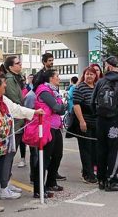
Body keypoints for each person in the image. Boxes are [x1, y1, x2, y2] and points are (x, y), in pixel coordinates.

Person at [0, 72, 44, 217]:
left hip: (2, 146)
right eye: (3, 83)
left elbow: (17, 109)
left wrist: (34, 112)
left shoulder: (4, 100)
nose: (5, 85)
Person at [91, 56, 118, 192]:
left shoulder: (100, 82)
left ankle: (101, 180)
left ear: (108, 66)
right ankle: (112, 180)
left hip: (101, 121)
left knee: (101, 150)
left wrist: (97, 116)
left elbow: (92, 102)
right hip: (116, 120)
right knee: (115, 151)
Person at [32, 69, 67, 198]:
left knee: (58, 155)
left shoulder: (54, 91)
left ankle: (51, 182)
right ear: (50, 78)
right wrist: (61, 106)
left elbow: (60, 110)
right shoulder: (44, 90)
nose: (59, 78)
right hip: (47, 127)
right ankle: (38, 189)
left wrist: (61, 107)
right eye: (57, 76)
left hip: (56, 127)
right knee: (44, 158)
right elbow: (57, 108)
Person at [0, 56, 26, 199]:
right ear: (10, 67)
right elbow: (16, 101)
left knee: (9, 157)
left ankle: (6, 183)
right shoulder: (9, 80)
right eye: (17, 63)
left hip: (17, 122)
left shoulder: (16, 79)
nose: (20, 65)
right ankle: (3, 186)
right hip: (13, 123)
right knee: (7, 157)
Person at [72, 66, 99, 184]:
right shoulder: (80, 87)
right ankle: (87, 174)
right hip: (85, 122)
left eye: (92, 74)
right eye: (87, 74)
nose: (89, 76)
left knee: (94, 150)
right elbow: (76, 105)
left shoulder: (97, 87)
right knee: (86, 150)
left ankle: (90, 171)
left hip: (96, 123)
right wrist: (82, 121)